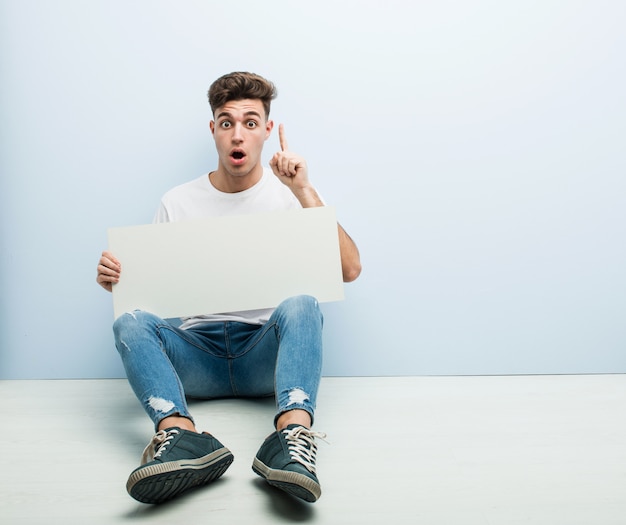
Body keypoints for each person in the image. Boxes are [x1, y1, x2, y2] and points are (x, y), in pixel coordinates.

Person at [96, 72, 361, 505]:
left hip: (264, 356)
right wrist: (117, 279)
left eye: (251, 122)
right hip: (197, 358)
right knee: (129, 321)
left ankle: (292, 439)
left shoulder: (290, 195)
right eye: (226, 122)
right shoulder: (177, 201)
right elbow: (148, 298)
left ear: (267, 131)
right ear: (214, 130)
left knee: (301, 303)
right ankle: (181, 437)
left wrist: (304, 189)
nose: (238, 134)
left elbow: (350, 269)